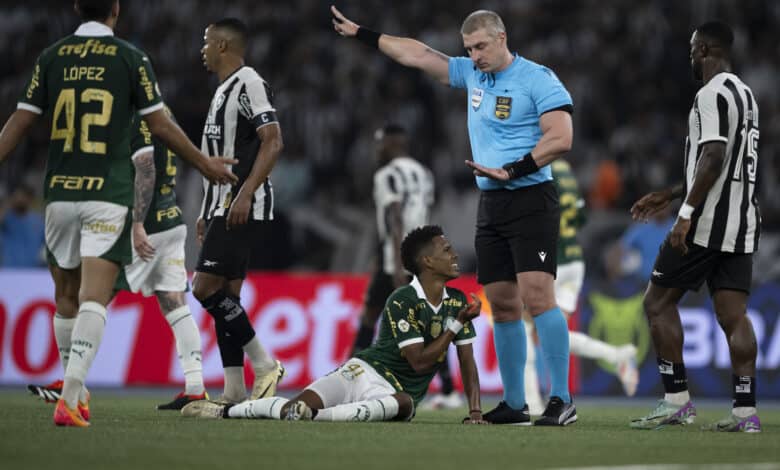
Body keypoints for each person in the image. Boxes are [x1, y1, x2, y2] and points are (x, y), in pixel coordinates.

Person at [332, 6, 575, 425]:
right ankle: (516, 404)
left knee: (538, 298)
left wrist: (513, 169)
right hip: (492, 203)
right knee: (501, 304)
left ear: (502, 38)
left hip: (531, 197)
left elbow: (562, 137)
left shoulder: (538, 78)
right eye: (468, 49)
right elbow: (419, 54)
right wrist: (364, 34)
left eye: (481, 46)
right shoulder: (472, 74)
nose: (475, 55)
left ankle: (561, 399)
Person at [0, 0, 236, 427]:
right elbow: (159, 127)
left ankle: (77, 391)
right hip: (107, 196)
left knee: (65, 297)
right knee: (96, 297)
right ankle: (71, 397)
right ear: (117, 9)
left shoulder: (51, 56)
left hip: (58, 194)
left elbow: (19, 122)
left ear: (75, 6)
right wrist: (205, 163)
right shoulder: (130, 58)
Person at [181, 225, 486, 423]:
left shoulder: (457, 300)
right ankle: (224, 411)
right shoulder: (402, 299)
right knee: (291, 409)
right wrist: (455, 326)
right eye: (446, 250)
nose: (455, 254)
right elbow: (419, 363)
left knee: (405, 405)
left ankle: (316, 417)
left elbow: (467, 360)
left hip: (390, 393)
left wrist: (474, 412)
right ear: (428, 262)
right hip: (360, 372)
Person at [27, 108, 209, 411]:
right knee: (174, 303)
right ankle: (195, 386)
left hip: (145, 227)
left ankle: (72, 381)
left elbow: (144, 169)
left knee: (93, 298)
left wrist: (135, 222)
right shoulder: (165, 113)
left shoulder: (135, 114)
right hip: (171, 220)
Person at [630, 21, 762, 432]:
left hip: (704, 224)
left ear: (704, 50)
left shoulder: (710, 94)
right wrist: (669, 195)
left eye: (691, 49)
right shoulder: (746, 95)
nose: (689, 56)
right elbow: (722, 166)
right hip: (741, 225)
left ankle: (676, 401)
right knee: (733, 314)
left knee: (656, 303)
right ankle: (745, 412)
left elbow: (713, 157)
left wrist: (683, 215)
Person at [192, 18, 285, 405]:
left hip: (240, 206)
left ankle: (264, 364)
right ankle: (233, 390)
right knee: (227, 296)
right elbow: (219, 156)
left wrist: (245, 194)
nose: (203, 49)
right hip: (221, 205)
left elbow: (274, 140)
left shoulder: (248, 82)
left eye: (207, 41)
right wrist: (204, 207)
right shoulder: (221, 91)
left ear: (224, 46)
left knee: (203, 288)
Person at [351, 124, 459, 409]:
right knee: (427, 323)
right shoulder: (425, 173)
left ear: (392, 143)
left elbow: (395, 216)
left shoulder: (386, 175)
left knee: (370, 315)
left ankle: (349, 377)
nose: (377, 149)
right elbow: (423, 214)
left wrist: (397, 261)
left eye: (380, 144)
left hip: (397, 259)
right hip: (424, 258)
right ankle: (448, 389)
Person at [524, 159, 638, 415]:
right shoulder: (564, 167)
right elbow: (580, 217)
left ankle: (531, 402)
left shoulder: (534, 166)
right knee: (549, 335)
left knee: (524, 325)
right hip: (574, 259)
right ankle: (616, 355)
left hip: (549, 259)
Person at [0, 183, 45, 267]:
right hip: (8, 269)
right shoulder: (6, 218)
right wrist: (7, 204)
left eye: (24, 196)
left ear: (30, 199)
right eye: (17, 197)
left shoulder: (38, 221)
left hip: (33, 271)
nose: (20, 200)